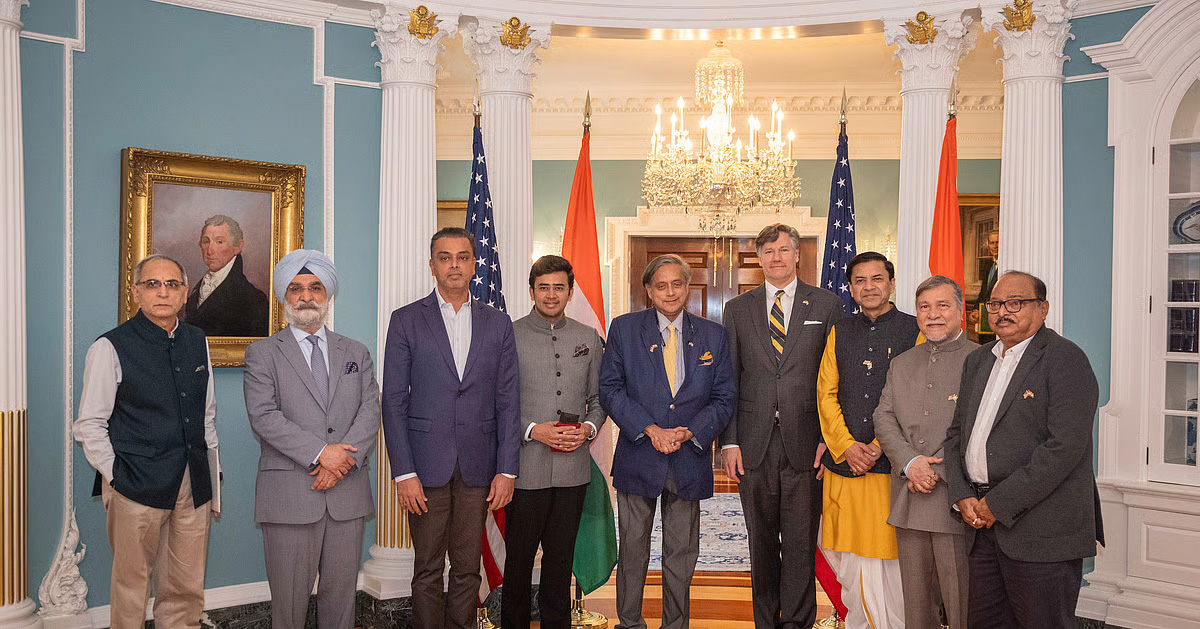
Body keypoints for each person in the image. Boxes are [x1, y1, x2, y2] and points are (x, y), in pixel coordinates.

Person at [943, 271, 1104, 628]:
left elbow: (1063, 448)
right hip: (981, 528)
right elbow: (956, 435)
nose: (1003, 311)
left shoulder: (1065, 359)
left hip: (1041, 532)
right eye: (996, 304)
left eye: (1016, 303)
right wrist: (961, 495)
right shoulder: (978, 361)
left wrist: (996, 505)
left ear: (1043, 308)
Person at [381, 227, 520, 629]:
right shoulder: (406, 320)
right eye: (445, 258)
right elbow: (393, 401)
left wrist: (507, 470)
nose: (454, 265)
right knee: (427, 568)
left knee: (467, 568)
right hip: (424, 468)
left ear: (475, 264)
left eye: (462, 257)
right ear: (432, 266)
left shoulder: (498, 323)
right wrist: (404, 473)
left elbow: (509, 401)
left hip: (479, 466)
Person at [73, 253, 220, 629]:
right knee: (131, 586)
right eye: (152, 284)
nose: (163, 292)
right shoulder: (110, 346)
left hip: (192, 482)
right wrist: (119, 476)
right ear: (135, 292)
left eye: (172, 284)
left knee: (186, 586)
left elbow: (206, 415)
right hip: (135, 485)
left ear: (184, 293)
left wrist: (211, 481)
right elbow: (89, 425)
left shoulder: (196, 340)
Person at [242, 249, 380, 629]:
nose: (306, 296)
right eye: (296, 288)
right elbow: (263, 416)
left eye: (315, 287)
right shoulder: (262, 354)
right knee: (288, 608)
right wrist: (321, 454)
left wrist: (341, 462)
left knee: (341, 603)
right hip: (290, 497)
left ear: (327, 294)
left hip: (347, 495)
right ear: (284, 297)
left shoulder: (356, 352)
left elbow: (370, 410)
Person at [599, 254, 736, 629]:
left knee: (682, 552)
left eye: (677, 284)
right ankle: (630, 622)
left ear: (688, 287)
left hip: (688, 457)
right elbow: (610, 390)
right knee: (633, 549)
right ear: (648, 290)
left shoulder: (713, 335)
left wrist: (691, 431)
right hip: (639, 454)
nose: (670, 292)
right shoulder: (624, 329)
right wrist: (649, 428)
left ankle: (676, 624)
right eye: (661, 285)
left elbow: (724, 397)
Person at [719, 223, 842, 628]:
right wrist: (729, 442)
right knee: (761, 543)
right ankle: (766, 622)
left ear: (797, 255)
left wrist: (828, 439)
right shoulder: (738, 308)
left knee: (801, 543)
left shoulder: (826, 305)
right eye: (768, 251)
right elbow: (729, 378)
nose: (776, 257)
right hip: (753, 444)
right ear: (758, 258)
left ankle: (798, 622)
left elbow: (836, 377)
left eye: (784, 249)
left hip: (807, 444)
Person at [501, 255, 607, 629]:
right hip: (523, 471)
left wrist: (589, 429)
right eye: (543, 287)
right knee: (518, 562)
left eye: (558, 287)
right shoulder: (509, 335)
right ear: (531, 291)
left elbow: (599, 400)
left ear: (570, 292)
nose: (551, 295)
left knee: (560, 563)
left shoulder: (588, 337)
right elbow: (498, 402)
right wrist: (533, 430)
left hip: (572, 472)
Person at [816, 251, 919, 629]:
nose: (869, 287)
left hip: (891, 469)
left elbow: (916, 398)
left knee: (889, 557)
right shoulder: (840, 331)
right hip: (845, 466)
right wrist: (846, 446)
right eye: (860, 281)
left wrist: (879, 446)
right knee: (849, 559)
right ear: (850, 288)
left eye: (877, 279)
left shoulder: (914, 330)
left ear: (891, 283)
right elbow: (825, 393)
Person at [873, 276, 977, 629]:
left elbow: (981, 428)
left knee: (963, 604)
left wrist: (936, 470)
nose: (933, 314)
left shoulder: (982, 360)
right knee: (917, 609)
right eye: (924, 307)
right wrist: (911, 463)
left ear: (960, 311)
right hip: (909, 496)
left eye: (942, 305)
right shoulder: (902, 363)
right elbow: (883, 417)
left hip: (957, 499)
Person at [184, 214, 270, 337]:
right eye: (206, 241)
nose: (210, 251)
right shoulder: (195, 291)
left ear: (238, 247)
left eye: (219, 242)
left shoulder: (254, 299)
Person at [969, 229, 1000, 343]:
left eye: (997, 242)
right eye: (992, 243)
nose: (994, 246)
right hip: (984, 323)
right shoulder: (988, 265)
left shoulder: (1007, 266)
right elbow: (983, 293)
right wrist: (976, 309)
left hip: (999, 322)